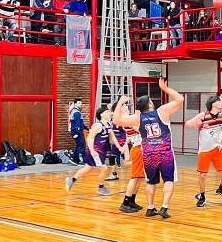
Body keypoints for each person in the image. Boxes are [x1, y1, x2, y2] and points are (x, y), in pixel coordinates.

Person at [113, 78, 184, 218]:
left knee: (150, 181)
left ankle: (150, 207)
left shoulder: (137, 118)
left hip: (148, 153)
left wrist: (120, 103)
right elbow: (180, 99)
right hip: (165, 152)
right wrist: (166, 89)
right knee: (168, 180)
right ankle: (164, 207)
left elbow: (116, 120)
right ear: (150, 104)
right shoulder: (162, 111)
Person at [185, 95, 222, 207]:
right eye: (218, 101)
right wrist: (194, 124)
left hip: (217, 149)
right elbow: (188, 123)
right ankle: (202, 197)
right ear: (213, 103)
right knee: (202, 176)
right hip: (205, 150)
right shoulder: (203, 115)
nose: (221, 103)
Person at [65, 106, 117, 196]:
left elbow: (111, 140)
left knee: (87, 168)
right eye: (107, 112)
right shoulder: (98, 125)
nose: (109, 113)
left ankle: (72, 179)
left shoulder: (108, 125)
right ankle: (101, 187)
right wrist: (92, 151)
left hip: (101, 151)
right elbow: (89, 138)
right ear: (101, 114)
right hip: (95, 151)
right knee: (104, 168)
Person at [112, 102, 145, 214]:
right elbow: (141, 130)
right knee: (135, 177)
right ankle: (125, 202)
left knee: (140, 177)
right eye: (124, 105)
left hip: (138, 147)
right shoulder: (126, 120)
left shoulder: (126, 119)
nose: (126, 106)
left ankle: (131, 200)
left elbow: (129, 136)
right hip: (138, 148)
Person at [69, 98, 88, 164]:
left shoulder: (75, 111)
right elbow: (77, 123)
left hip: (77, 131)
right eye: (79, 103)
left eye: (81, 103)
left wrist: (86, 128)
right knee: (81, 145)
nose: (81, 104)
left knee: (79, 145)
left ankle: (75, 158)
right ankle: (77, 159)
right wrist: (77, 132)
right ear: (75, 104)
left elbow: (80, 123)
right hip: (78, 131)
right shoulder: (76, 112)